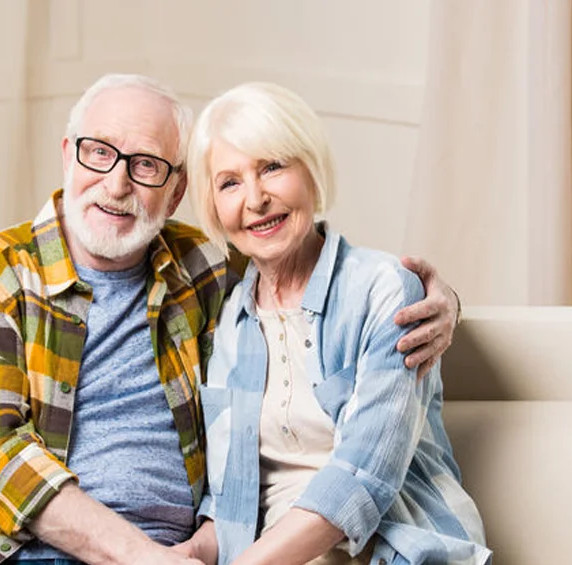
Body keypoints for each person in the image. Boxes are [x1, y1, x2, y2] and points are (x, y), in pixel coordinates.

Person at [0, 74, 462, 565]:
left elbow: (301, 256)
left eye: (145, 164)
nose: (117, 184)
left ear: (176, 193)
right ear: (67, 156)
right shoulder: (2, 267)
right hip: (24, 550)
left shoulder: (203, 269)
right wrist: (143, 558)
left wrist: (441, 300)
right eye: (97, 151)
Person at [176, 82, 491, 565]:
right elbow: (230, 498)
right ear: (214, 207)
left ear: (311, 170)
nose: (256, 198)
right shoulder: (232, 321)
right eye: (229, 183)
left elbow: (363, 476)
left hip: (390, 551)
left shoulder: (385, 289)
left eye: (272, 167)